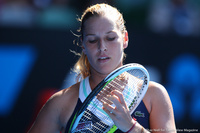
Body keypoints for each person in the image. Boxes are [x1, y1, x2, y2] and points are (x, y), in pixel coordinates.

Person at [28, 3, 176, 133]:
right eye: (93, 40)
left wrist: (131, 127)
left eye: (110, 38)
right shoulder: (60, 103)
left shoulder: (154, 95)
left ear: (125, 39)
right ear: (83, 45)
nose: (102, 47)